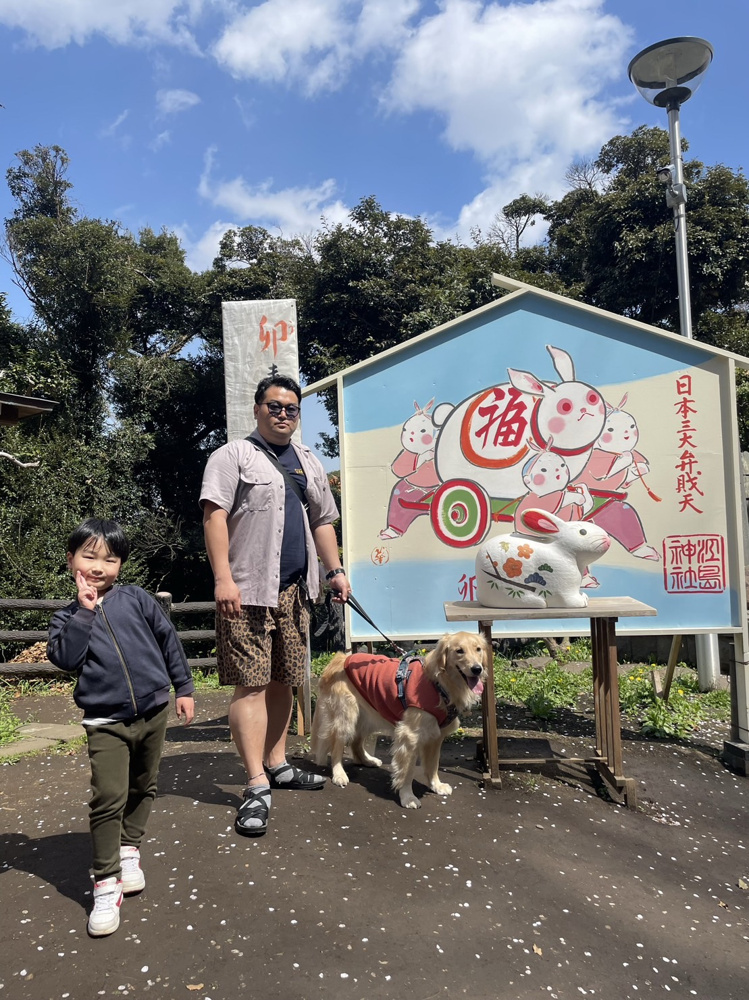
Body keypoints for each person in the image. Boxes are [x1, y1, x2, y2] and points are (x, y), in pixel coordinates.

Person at [200, 374, 350, 837]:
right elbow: (214, 515)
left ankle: (279, 763)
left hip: (295, 590)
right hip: (246, 590)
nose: (283, 414)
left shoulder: (308, 461)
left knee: (287, 679)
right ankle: (256, 782)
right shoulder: (231, 456)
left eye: (291, 408)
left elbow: (323, 520)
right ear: (257, 408)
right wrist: (223, 578)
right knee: (250, 685)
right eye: (275, 406)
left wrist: (335, 569)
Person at [47, 519, 195, 937]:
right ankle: (106, 881)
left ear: (121, 565)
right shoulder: (66, 617)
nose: (99, 567)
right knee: (108, 797)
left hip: (153, 709)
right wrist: (85, 611)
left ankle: (129, 848)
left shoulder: (137, 599)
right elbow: (66, 658)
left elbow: (168, 639)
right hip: (105, 721)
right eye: (89, 556)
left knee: (144, 784)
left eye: (109, 559)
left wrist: (183, 686)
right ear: (71, 559)